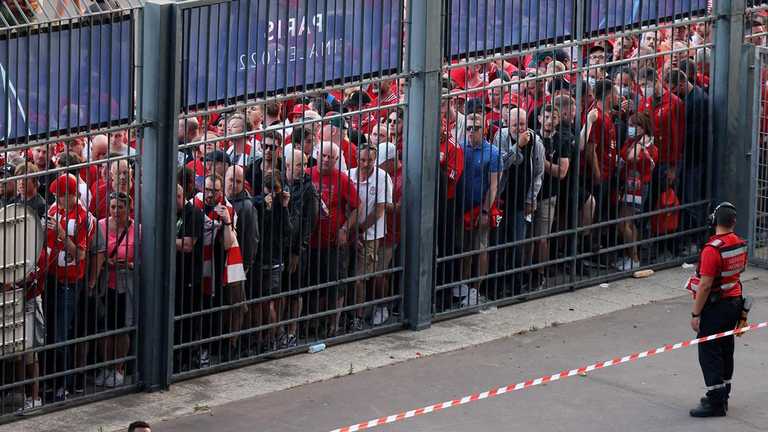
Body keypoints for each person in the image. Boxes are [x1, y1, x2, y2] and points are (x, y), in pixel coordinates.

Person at [37, 174, 94, 401]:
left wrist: (61, 233)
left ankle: (65, 383)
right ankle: (52, 382)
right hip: (50, 279)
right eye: (56, 196)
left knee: (62, 336)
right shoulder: (52, 209)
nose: (57, 199)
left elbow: (80, 254)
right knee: (50, 335)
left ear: (73, 195)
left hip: (69, 283)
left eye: (61, 195)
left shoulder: (83, 218)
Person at [688, 202, 747, 417]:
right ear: (733, 222)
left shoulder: (712, 249)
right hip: (734, 302)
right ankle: (724, 393)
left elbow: (704, 285)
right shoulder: (740, 244)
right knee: (725, 347)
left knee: (709, 351)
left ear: (714, 221)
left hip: (716, 306)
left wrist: (695, 313)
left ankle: (715, 401)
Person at [308, 142, 360, 336]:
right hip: (310, 241)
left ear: (338, 160)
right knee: (312, 285)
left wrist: (345, 228)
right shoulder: (307, 174)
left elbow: (357, 206)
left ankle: (333, 325)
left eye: (331, 157)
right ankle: (312, 323)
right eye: (323, 155)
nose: (326, 160)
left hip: (332, 243)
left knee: (335, 284)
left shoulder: (343, 180)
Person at [92, 191, 139, 387]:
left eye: (120, 207)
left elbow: (142, 258)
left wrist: (129, 265)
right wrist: (105, 263)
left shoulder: (137, 229)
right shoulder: (100, 226)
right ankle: (106, 366)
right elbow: (95, 254)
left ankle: (119, 368)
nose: (115, 211)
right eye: (112, 207)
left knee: (122, 328)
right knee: (105, 329)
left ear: (129, 208)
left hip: (125, 285)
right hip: (104, 284)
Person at [456, 112, 503, 302]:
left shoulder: (492, 152)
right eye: (468, 128)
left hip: (480, 208)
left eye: (475, 128)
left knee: (480, 248)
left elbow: (494, 186)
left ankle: (476, 289)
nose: (471, 132)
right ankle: (464, 285)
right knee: (464, 249)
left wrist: (485, 211)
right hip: (461, 207)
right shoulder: (460, 148)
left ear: (483, 129)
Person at [348, 144, 393, 329]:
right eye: (362, 160)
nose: (366, 164)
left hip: (370, 234)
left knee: (360, 278)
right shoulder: (349, 174)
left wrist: (359, 230)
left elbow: (380, 211)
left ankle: (358, 317)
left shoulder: (382, 178)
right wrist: (349, 230)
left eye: (370, 160)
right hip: (348, 231)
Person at [283, 149, 319, 346]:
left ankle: (292, 331)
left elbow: (310, 222)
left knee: (295, 291)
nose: (303, 168)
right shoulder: (280, 182)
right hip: (280, 246)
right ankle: (278, 330)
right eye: (299, 164)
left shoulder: (309, 188)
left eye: (305, 164)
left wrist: (299, 250)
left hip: (297, 249)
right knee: (280, 291)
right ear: (288, 165)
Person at [225, 165, 259, 357]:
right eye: (231, 180)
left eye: (238, 181)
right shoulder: (224, 201)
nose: (234, 185)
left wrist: (246, 265)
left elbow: (252, 239)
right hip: (223, 264)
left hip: (238, 265)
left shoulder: (247, 206)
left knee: (238, 305)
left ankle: (234, 343)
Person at [616, 113, 657, 271]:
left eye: (634, 126)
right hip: (626, 185)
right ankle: (628, 256)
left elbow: (631, 157)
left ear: (643, 128)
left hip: (637, 188)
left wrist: (641, 144)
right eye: (630, 125)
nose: (630, 128)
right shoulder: (631, 141)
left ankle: (634, 258)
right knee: (623, 223)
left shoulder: (647, 147)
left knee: (626, 223)